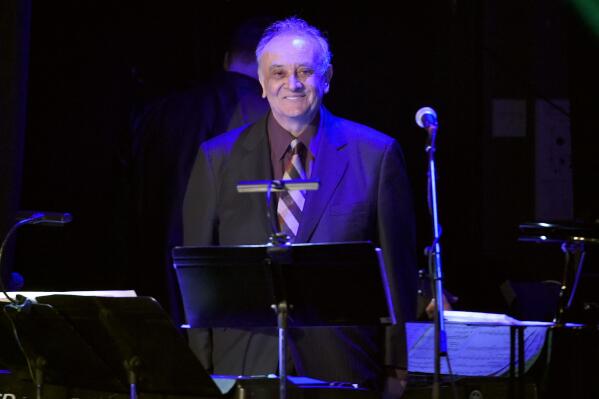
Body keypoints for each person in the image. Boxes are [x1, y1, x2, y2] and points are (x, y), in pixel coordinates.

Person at [183, 17, 417, 397]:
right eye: (278, 72)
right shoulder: (216, 160)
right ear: (261, 82)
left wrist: (396, 367)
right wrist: (201, 367)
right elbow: (198, 281)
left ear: (326, 79)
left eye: (305, 71)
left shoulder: (377, 156)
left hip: (343, 366)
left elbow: (396, 276)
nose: (291, 84)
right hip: (241, 366)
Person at [121, 16, 273, 326]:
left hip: (158, 283)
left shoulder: (163, 111)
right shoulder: (272, 118)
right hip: (235, 297)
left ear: (226, 59)